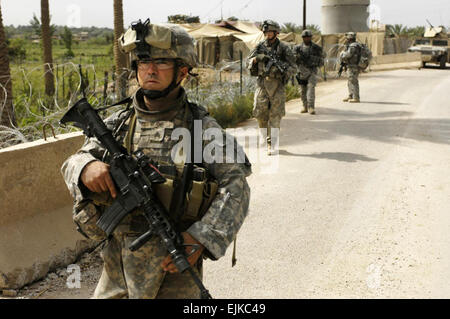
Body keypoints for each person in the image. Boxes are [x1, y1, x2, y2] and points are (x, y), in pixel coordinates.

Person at [61, 20, 251, 299]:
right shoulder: (118, 125)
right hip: (117, 271)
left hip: (173, 271)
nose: (150, 69)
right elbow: (73, 161)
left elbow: (236, 186)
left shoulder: (201, 130)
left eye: (161, 62)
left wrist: (200, 237)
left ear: (182, 71)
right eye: (143, 62)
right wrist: (85, 168)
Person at [247, 20, 296, 155]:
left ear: (276, 32)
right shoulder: (259, 46)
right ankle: (264, 139)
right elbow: (248, 62)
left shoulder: (284, 48)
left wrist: (283, 71)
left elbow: (293, 67)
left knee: (275, 115)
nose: (268, 34)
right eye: (266, 32)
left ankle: (272, 143)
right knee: (260, 114)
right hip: (262, 84)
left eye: (270, 32)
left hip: (277, 85)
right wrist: (257, 59)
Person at [294, 29, 324, 115]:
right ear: (302, 38)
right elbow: (293, 59)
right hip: (302, 72)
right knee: (302, 90)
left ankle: (311, 107)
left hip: (312, 71)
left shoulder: (316, 48)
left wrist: (315, 60)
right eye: (305, 37)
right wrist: (296, 57)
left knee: (311, 88)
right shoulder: (298, 48)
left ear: (311, 37)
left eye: (308, 37)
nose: (306, 39)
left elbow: (322, 58)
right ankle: (305, 106)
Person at [340, 32, 361, 103]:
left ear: (349, 38)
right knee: (350, 81)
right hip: (351, 65)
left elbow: (348, 55)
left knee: (353, 81)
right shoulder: (355, 45)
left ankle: (356, 97)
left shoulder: (353, 46)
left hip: (353, 66)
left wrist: (342, 54)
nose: (346, 39)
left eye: (347, 38)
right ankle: (351, 95)